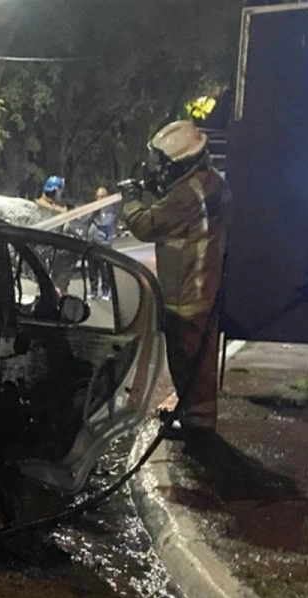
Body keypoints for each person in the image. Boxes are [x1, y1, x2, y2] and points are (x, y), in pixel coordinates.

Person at [121, 120, 231, 439]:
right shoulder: (208, 183)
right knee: (195, 360)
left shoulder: (186, 195)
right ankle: (193, 413)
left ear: (181, 162)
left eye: (165, 163)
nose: (160, 170)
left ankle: (199, 426)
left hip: (188, 291)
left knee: (189, 360)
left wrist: (130, 198)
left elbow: (145, 224)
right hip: (200, 286)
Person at [87, 186, 118, 299]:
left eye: (102, 196)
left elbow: (104, 222)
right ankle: (93, 290)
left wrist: (94, 216)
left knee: (105, 270)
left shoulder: (110, 209)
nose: (99, 199)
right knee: (92, 269)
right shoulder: (94, 209)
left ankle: (106, 290)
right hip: (92, 242)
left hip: (104, 244)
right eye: (98, 197)